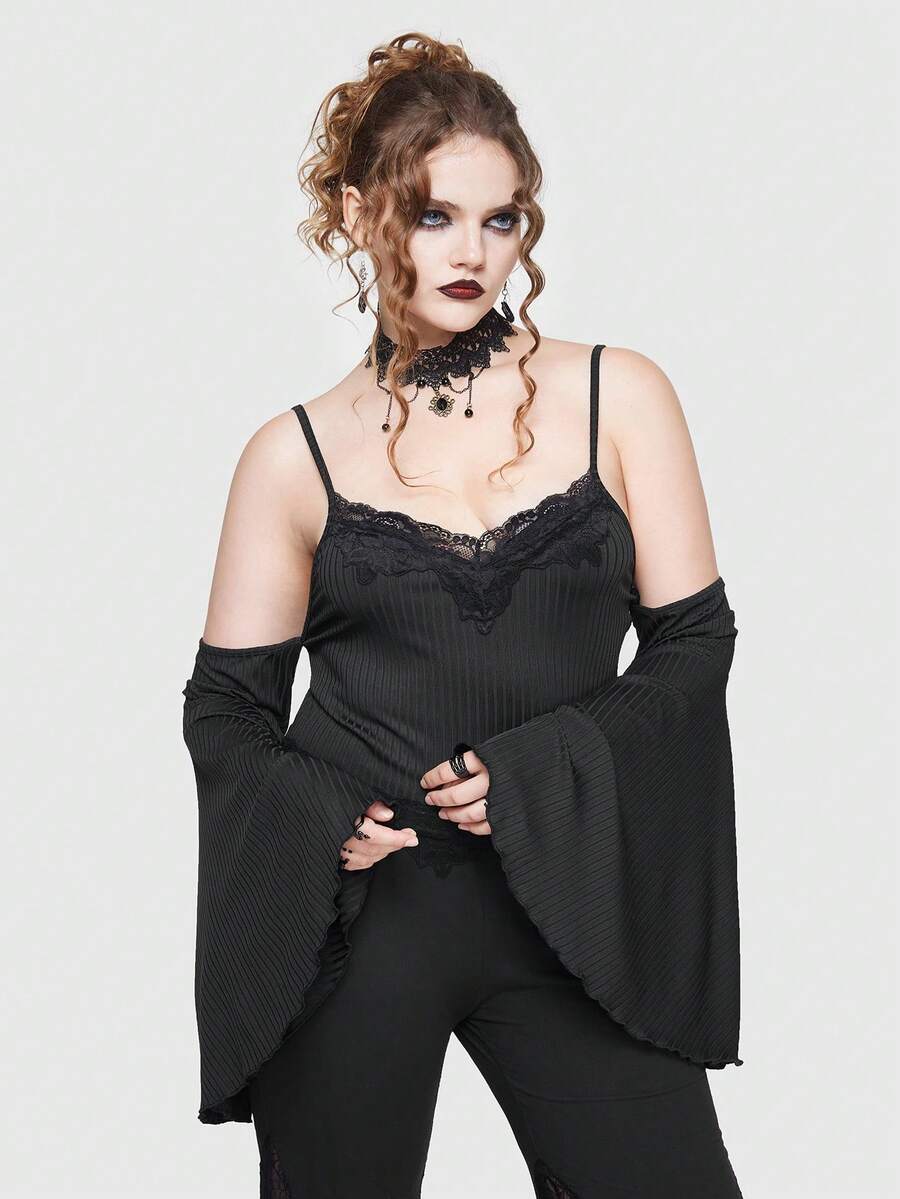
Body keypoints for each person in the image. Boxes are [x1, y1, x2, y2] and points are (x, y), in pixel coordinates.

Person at [181, 31, 745, 1198]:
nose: (471, 252)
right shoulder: (291, 456)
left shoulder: (619, 395)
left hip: (575, 901)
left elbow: (695, 642)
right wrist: (323, 813)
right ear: (355, 215)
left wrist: (545, 770)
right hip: (365, 916)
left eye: (501, 219)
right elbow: (226, 709)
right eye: (432, 215)